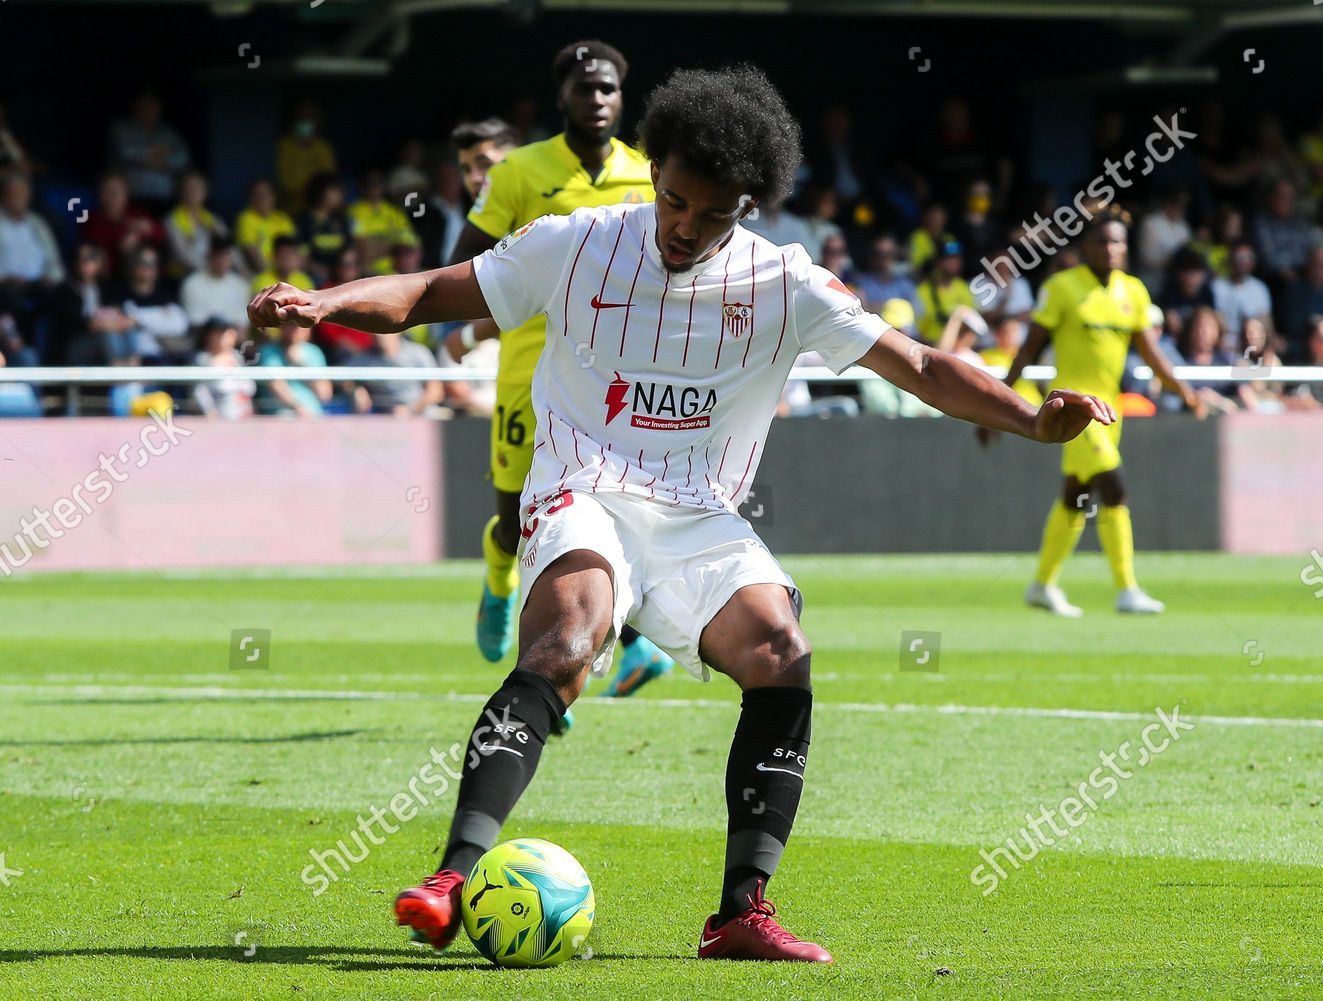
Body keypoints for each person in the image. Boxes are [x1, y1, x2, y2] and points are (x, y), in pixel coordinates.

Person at [247, 64, 1113, 964]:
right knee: (571, 636)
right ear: (652, 172)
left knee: (781, 651)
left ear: (750, 203)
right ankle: (455, 873)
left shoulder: (785, 282)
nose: (685, 227)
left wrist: (1030, 417)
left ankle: (742, 911)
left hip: (701, 515)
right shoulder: (576, 242)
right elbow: (432, 294)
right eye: (672, 200)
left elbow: (923, 366)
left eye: (712, 212)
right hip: (583, 482)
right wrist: (324, 305)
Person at [443, 40, 676, 693]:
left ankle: (577, 662)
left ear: (622, 98)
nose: (596, 99)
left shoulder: (647, 174)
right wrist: (463, 326)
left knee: (611, 515)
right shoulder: (518, 172)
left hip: (614, 380)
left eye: (607, 89)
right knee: (520, 519)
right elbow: (467, 260)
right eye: (584, 89)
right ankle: (498, 583)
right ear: (562, 98)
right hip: (528, 371)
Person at [999, 216, 1198, 618]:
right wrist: (999, 402)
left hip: (1111, 410)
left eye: (1118, 243)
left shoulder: (1133, 291)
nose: (1110, 249)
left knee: (1075, 495)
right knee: (1114, 486)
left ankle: (1041, 585)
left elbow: (1151, 354)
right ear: (1086, 246)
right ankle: (1127, 588)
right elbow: (1029, 348)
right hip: (1073, 410)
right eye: (1102, 242)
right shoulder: (1062, 288)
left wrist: (1186, 393)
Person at [0, 171, 64, 352]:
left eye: (21, 193)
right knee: (10, 299)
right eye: (13, 193)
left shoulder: (38, 223)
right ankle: (19, 349)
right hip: (5, 285)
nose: (17, 198)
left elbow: (54, 262)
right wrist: (4, 279)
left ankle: (51, 356)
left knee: (60, 297)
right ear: (4, 195)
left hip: (37, 284)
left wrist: (51, 278)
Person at [107, 91, 190, 214]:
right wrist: (155, 153)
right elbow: (126, 153)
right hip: (132, 197)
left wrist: (162, 162)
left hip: (166, 197)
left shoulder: (168, 132)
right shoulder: (121, 128)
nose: (149, 110)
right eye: (144, 105)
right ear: (135, 106)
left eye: (153, 106)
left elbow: (183, 158)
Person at [81, 172, 164, 275]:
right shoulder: (93, 219)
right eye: (108, 192)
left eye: (118, 192)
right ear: (101, 196)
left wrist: (147, 229)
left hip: (142, 274)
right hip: (110, 276)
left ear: (126, 194)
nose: (114, 197)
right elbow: (93, 254)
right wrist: (121, 247)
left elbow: (161, 235)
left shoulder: (137, 213)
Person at [353, 332, 443, 416]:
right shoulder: (362, 358)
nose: (381, 337)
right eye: (376, 333)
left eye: (385, 332)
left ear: (398, 331)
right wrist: (357, 389)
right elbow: (345, 379)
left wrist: (410, 410)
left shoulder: (419, 353)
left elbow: (436, 391)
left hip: (422, 415)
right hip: (381, 417)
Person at [256, 318, 331, 417]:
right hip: (280, 415)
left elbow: (324, 394)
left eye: (303, 325)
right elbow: (276, 386)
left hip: (314, 413)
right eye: (292, 325)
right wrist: (299, 408)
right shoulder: (268, 351)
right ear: (282, 327)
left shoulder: (314, 352)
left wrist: (302, 365)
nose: (297, 329)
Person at [349, 168, 418, 274]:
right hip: (367, 273)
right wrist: (391, 245)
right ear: (362, 186)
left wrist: (376, 245)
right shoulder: (354, 212)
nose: (375, 186)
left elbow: (412, 244)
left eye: (379, 182)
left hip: (396, 271)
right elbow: (361, 249)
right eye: (371, 183)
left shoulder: (394, 211)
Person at [163, 172, 230, 281]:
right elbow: (182, 255)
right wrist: (208, 271)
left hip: (213, 272)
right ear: (181, 191)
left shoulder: (212, 219)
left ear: (205, 192)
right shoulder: (172, 219)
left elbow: (229, 247)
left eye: (198, 188)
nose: (194, 192)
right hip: (183, 276)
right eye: (189, 188)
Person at [275, 100, 337, 215]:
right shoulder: (285, 146)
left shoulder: (323, 148)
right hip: (292, 209)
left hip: (320, 210)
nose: (306, 121)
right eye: (301, 117)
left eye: (309, 117)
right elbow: (287, 184)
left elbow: (328, 181)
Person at [1211, 242, 1273, 352]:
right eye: (1238, 258)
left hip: (1254, 341)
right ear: (1230, 260)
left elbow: (1266, 321)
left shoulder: (1260, 288)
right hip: (1226, 341)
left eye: (1247, 258)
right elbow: (1217, 318)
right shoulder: (1218, 286)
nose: (1243, 262)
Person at [180, 236, 252, 331]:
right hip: (204, 341)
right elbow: (196, 322)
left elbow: (243, 323)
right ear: (209, 256)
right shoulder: (192, 284)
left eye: (226, 255)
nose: (222, 260)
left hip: (236, 340)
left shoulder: (241, 285)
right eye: (218, 255)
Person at [914, 240, 978, 345]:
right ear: (938, 262)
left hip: (958, 347)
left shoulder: (963, 288)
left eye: (957, 258)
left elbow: (972, 322)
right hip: (928, 347)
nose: (954, 262)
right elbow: (916, 329)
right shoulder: (923, 291)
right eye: (948, 258)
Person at [192, 318, 255, 420]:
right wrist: (210, 413)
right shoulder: (202, 360)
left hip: (243, 413)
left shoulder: (237, 357)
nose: (225, 337)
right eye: (219, 334)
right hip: (220, 416)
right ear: (208, 336)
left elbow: (250, 386)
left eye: (228, 333)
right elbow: (200, 392)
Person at [298, 172, 353, 283]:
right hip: (317, 274)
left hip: (341, 271)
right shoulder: (305, 221)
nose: (339, 194)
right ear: (321, 192)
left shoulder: (341, 220)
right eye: (334, 190)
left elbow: (350, 251)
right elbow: (302, 258)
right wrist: (322, 270)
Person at [235, 179, 297, 275]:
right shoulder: (246, 218)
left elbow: (294, 250)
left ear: (274, 197)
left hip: (286, 270)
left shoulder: (283, 218)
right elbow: (254, 257)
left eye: (267, 194)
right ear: (250, 198)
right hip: (258, 272)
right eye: (257, 195)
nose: (262, 198)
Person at [853, 233, 918, 315]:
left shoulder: (905, 284)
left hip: (901, 327)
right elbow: (859, 312)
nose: (883, 259)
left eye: (888, 254)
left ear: (895, 256)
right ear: (870, 256)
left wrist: (877, 306)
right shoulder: (860, 283)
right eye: (878, 254)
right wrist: (898, 308)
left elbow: (917, 312)